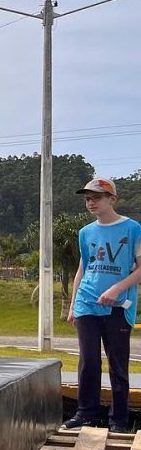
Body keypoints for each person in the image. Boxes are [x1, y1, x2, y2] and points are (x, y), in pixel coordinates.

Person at [63, 177, 141, 431]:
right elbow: (82, 269)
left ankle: (118, 420)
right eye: (87, 198)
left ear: (113, 199)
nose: (90, 202)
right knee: (88, 361)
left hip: (118, 306)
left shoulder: (132, 229)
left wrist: (118, 288)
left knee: (117, 364)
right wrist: (74, 304)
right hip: (87, 303)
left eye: (96, 197)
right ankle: (86, 414)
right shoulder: (86, 232)